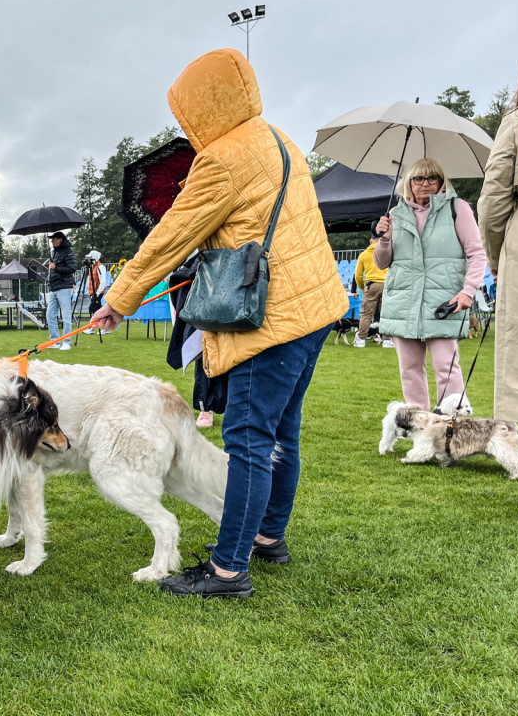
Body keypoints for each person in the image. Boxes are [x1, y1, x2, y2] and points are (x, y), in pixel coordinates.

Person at [91, 48, 347, 599]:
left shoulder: (223, 158)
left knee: (249, 438)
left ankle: (229, 567)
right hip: (313, 307)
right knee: (283, 432)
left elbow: (170, 236)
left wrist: (119, 297)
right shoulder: (278, 138)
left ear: (202, 107)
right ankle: (267, 535)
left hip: (269, 319)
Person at [374, 158, 486, 410]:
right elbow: (382, 263)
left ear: (441, 181)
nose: (425, 184)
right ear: (409, 183)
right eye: (418, 178)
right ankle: (420, 433)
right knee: (410, 371)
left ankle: (451, 432)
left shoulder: (458, 208)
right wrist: (384, 239)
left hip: (444, 302)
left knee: (447, 369)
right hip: (404, 302)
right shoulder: (394, 214)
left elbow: (478, 254)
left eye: (432, 178)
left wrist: (468, 291)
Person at [477, 66, 518, 422]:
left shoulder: (516, 122)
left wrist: (496, 256)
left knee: (517, 337)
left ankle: (513, 430)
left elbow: (493, 201)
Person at [353, 227, 392, 348]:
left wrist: (362, 287)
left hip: (371, 285)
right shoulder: (389, 252)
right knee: (386, 314)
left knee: (366, 314)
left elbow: (358, 275)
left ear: (371, 241)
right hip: (387, 284)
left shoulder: (364, 255)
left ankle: (361, 339)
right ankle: (387, 340)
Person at [46, 231, 77, 350]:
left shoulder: (68, 252)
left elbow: (72, 268)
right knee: (50, 315)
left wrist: (56, 267)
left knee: (66, 316)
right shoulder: (54, 252)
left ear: (60, 239)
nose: (52, 241)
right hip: (54, 287)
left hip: (64, 287)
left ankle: (66, 341)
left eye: (53, 239)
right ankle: (55, 341)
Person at [80, 250, 108, 335]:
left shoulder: (100, 267)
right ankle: (106, 328)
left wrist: (98, 292)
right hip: (93, 292)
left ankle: (91, 327)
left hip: (97, 292)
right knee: (100, 309)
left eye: (90, 258)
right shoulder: (92, 267)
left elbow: (103, 281)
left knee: (92, 308)